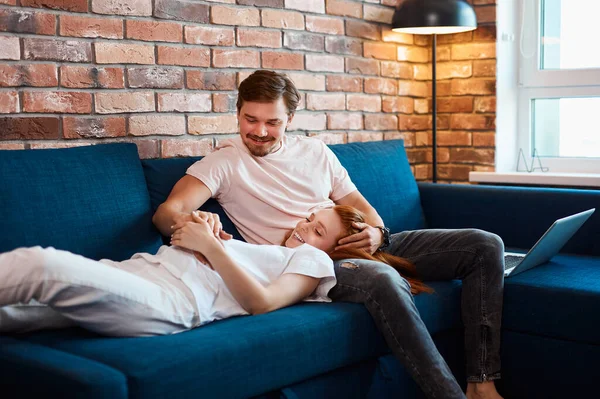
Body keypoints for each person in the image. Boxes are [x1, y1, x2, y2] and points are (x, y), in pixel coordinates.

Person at [152, 70, 505, 399]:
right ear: (238, 113)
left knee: (484, 245)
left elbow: (366, 211)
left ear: (290, 119)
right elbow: (167, 213)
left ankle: (482, 384)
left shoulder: (316, 152)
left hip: (359, 243)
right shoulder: (224, 162)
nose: (259, 131)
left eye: (272, 122)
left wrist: (377, 234)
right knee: (383, 278)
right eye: (250, 119)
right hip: (312, 262)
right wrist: (199, 222)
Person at [0, 206, 426, 338]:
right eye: (308, 216)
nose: (301, 226)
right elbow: (181, 228)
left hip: (172, 300)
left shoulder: (312, 263)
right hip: (141, 270)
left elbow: (261, 304)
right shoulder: (262, 247)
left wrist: (211, 249)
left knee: (43, 265)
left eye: (316, 231)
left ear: (332, 250)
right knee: (18, 314)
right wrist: (204, 226)